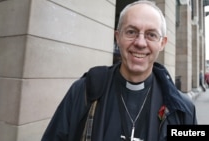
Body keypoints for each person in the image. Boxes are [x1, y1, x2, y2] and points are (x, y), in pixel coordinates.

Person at [41, 1, 197, 141]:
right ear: (118, 37)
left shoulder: (183, 110)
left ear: (162, 43)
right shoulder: (82, 92)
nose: (140, 43)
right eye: (131, 32)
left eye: (151, 35)